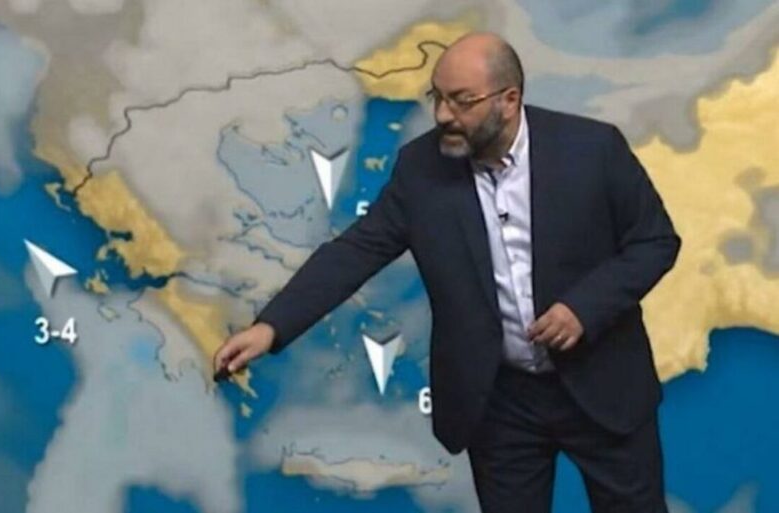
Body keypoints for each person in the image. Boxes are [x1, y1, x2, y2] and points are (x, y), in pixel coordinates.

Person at [213, 32, 681, 513]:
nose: (442, 115)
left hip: (603, 387)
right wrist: (270, 327)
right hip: (499, 402)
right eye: (437, 97)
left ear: (509, 100)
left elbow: (655, 241)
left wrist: (583, 308)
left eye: (462, 101)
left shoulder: (592, 150)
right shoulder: (420, 169)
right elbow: (356, 251)